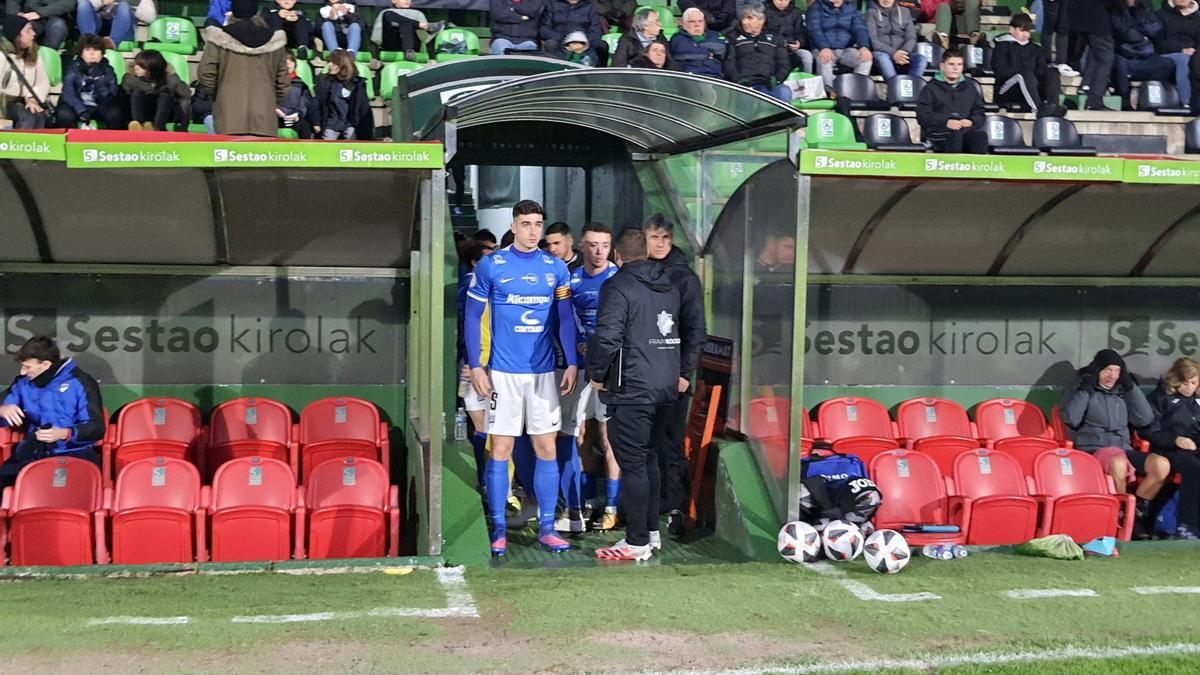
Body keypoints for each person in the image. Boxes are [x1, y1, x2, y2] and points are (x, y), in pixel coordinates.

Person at [465, 200, 579, 556]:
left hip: (543, 375)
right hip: (502, 375)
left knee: (547, 447)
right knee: (501, 449)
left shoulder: (555, 268)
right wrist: (477, 366)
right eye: (526, 224)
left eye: (538, 224)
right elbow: (472, 317)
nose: (532, 231)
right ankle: (498, 528)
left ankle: (547, 528)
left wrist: (572, 361)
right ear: (513, 226)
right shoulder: (492, 265)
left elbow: (564, 318)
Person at [589, 228, 684, 561]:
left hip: (632, 389)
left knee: (632, 465)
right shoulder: (668, 285)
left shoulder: (618, 287)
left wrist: (597, 375)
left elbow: (607, 338)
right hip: (665, 388)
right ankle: (652, 533)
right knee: (650, 460)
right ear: (646, 251)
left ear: (617, 254)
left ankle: (636, 541)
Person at [644, 214, 705, 537]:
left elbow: (696, 329)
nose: (659, 244)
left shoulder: (685, 278)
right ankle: (648, 506)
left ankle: (675, 507)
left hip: (672, 379)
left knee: (670, 444)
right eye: (654, 237)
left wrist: (684, 373)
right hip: (643, 376)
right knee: (644, 444)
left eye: (665, 238)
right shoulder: (639, 273)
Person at [565, 223, 621, 531]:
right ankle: (586, 503)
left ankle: (612, 508)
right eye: (593, 245)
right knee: (581, 436)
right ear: (582, 247)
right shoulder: (572, 280)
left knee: (608, 438)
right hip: (582, 370)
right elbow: (565, 322)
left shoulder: (618, 280)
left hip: (611, 373)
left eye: (604, 245)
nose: (598, 251)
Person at [0, 337, 106, 491]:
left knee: (70, 492)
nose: (22, 372)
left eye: (27, 367)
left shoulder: (82, 382)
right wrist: (2, 409)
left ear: (46, 365)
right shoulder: (22, 383)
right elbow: (5, 408)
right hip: (33, 451)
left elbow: (97, 427)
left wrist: (65, 433)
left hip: (75, 453)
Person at [1060, 349, 1157, 503]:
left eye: (1117, 371)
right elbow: (1071, 419)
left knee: (1161, 465)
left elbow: (1144, 419)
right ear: (1097, 370)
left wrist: (1131, 387)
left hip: (1124, 448)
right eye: (1107, 370)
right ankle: (1119, 510)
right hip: (1093, 449)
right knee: (1118, 462)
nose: (1113, 376)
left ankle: (1136, 507)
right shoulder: (1080, 386)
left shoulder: (1122, 391)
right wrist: (1085, 390)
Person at [197, 0, 290, 137]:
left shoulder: (219, 38)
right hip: (264, 117)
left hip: (229, 116)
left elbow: (206, 73)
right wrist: (271, 100)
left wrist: (219, 95)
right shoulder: (275, 42)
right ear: (257, 12)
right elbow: (283, 81)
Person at [1145, 357, 1200, 539]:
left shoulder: (1196, 403)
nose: (1189, 388)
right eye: (1185, 383)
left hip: (1193, 448)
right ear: (1175, 379)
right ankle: (1186, 525)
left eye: (1193, 383)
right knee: (1195, 469)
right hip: (1168, 450)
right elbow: (1151, 432)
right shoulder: (1159, 397)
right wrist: (1176, 440)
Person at [991, 14, 1067, 116]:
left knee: (1053, 72)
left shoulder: (1036, 49)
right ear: (1012, 29)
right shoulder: (1002, 47)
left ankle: (1052, 106)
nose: (1025, 34)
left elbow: (1042, 70)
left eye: (1028, 31)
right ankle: (1038, 109)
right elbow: (1000, 71)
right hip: (1007, 89)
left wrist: (1032, 76)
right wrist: (1024, 72)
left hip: (1031, 86)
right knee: (1024, 75)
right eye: (1022, 30)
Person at [916, 48, 987, 154]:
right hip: (938, 131)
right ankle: (953, 168)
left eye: (959, 64)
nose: (955, 68)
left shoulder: (970, 87)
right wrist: (946, 122)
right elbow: (923, 116)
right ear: (942, 66)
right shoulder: (930, 88)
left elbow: (979, 112)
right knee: (955, 134)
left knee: (980, 137)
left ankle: (978, 169)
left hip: (964, 130)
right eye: (951, 64)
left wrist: (971, 121)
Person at [724, 3, 792, 103]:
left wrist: (776, 79)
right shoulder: (733, 37)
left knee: (784, 91)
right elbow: (729, 62)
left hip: (768, 84)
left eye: (750, 18)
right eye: (743, 18)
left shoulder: (776, 38)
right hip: (744, 84)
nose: (745, 22)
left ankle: (784, 119)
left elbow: (784, 64)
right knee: (747, 97)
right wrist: (737, 80)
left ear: (761, 20)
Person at [1112, 0, 1173, 111]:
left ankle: (1149, 97)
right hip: (1124, 55)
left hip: (1145, 56)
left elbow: (1156, 28)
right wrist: (1143, 36)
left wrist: (1138, 27)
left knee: (1167, 63)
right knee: (1119, 62)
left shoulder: (1144, 8)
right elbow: (1124, 33)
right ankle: (1125, 101)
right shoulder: (1115, 9)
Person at [55, 34, 122, 130]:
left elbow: (112, 95)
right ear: (81, 53)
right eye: (87, 50)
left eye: (96, 50)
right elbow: (68, 93)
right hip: (79, 104)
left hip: (101, 106)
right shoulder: (73, 68)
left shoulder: (108, 70)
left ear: (102, 53)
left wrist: (99, 81)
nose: (92, 54)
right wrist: (81, 110)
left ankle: (112, 142)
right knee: (64, 115)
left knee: (115, 114)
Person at [806, 0, 873, 88]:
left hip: (845, 49)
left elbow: (860, 28)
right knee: (825, 60)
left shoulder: (851, 8)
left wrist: (864, 46)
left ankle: (855, 91)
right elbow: (814, 29)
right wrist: (824, 47)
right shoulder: (816, 8)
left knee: (866, 59)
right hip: (821, 48)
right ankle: (829, 93)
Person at [123, 48, 192, 131]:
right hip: (141, 111)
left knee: (165, 94)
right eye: (136, 64)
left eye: (141, 66)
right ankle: (138, 124)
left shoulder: (168, 78)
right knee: (136, 92)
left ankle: (157, 127)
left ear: (152, 68)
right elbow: (123, 96)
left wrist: (173, 75)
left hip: (164, 113)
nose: (136, 68)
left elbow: (186, 95)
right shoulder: (131, 78)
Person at [0, 15, 50, 129]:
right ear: (17, 36)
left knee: (39, 115)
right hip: (4, 102)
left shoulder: (34, 53)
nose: (33, 33)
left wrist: (32, 98)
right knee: (27, 117)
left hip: (25, 99)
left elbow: (42, 80)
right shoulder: (2, 55)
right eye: (28, 31)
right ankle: (18, 145)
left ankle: (38, 145)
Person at [1067, 0, 1118, 110]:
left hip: (1078, 17)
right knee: (1106, 58)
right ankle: (1094, 100)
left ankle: (1086, 85)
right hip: (1096, 19)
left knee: (1095, 54)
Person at [314, 48, 371, 139]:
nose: (329, 66)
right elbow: (318, 103)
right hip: (331, 124)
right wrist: (316, 122)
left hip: (350, 124)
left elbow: (363, 108)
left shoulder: (357, 84)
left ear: (342, 65)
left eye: (333, 63)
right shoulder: (325, 82)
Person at [1155, 0, 1200, 112]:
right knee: (1184, 59)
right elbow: (1158, 42)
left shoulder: (1198, 18)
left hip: (1193, 54)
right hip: (1166, 55)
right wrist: (1181, 50)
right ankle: (1187, 102)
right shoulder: (1160, 15)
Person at [867, 0, 927, 80]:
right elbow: (873, 40)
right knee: (882, 57)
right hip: (883, 53)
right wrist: (894, 53)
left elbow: (911, 37)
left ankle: (913, 87)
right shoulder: (871, 13)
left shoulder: (905, 12)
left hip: (904, 53)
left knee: (921, 59)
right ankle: (894, 87)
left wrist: (903, 53)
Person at [371, 0, 445, 59]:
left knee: (407, 24)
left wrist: (431, 58)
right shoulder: (386, 12)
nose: (407, 0)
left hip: (413, 45)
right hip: (392, 43)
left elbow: (425, 38)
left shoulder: (417, 14)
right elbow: (377, 38)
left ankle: (409, 50)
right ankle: (421, 26)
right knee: (388, 14)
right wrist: (375, 57)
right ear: (394, 0)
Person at [670, 8, 728, 79]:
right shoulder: (678, 38)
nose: (697, 25)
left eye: (700, 21)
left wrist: (697, 46)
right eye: (692, 21)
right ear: (684, 24)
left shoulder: (715, 35)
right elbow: (684, 53)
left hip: (715, 77)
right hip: (690, 77)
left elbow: (721, 49)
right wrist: (708, 54)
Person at [78, 0, 158, 47]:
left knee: (124, 5)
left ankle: (111, 43)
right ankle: (88, 41)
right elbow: (84, 6)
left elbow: (150, 17)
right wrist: (102, 2)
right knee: (83, 3)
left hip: (124, 32)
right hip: (100, 27)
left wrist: (132, 5)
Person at [276, 49, 316, 137]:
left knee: (305, 128)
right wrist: (277, 110)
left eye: (291, 61)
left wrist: (297, 113)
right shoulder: (272, 82)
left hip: (295, 117)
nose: (288, 64)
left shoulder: (301, 84)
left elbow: (304, 102)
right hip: (276, 116)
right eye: (285, 62)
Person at [765, 0, 811, 73]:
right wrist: (781, 44)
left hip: (792, 49)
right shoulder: (764, 12)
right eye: (779, 0)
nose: (782, 2)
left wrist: (799, 43)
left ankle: (806, 81)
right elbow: (764, 34)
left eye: (785, 0)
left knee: (806, 56)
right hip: (772, 48)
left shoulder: (796, 12)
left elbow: (800, 33)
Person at [4, 0, 71, 49]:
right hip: (30, 17)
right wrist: (16, 14)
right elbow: (12, 3)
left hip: (57, 17)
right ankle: (20, 61)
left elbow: (68, 3)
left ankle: (47, 61)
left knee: (57, 26)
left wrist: (40, 13)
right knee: (21, 27)